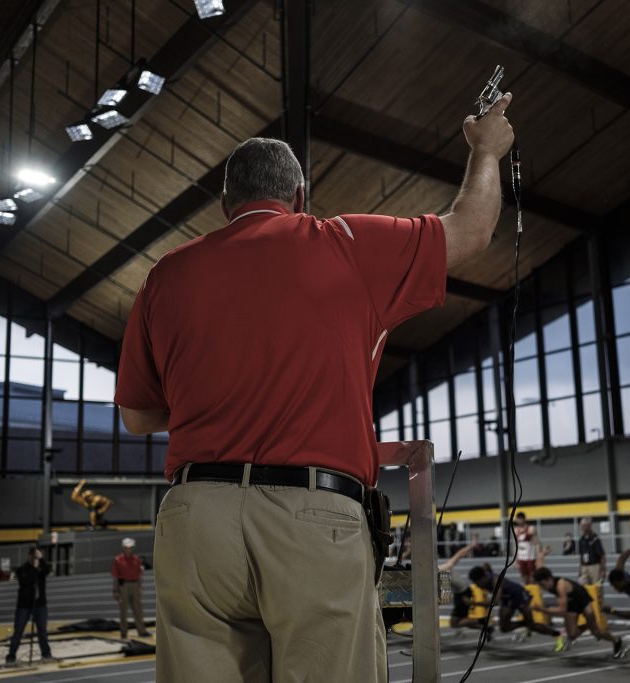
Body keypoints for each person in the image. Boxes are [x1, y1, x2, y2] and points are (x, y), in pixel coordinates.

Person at [115, 89, 516, 682]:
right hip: (311, 514)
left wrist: (225, 396)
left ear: (226, 201)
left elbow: (139, 418)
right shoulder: (345, 243)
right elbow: (472, 230)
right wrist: (486, 150)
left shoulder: (165, 274)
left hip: (195, 518)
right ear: (300, 197)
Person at [533, 567, 627, 656]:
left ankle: (617, 640)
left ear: (549, 578)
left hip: (583, 600)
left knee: (596, 632)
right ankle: (587, 626)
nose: (542, 588)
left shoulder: (560, 585)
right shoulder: (549, 584)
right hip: (571, 603)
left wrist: (542, 609)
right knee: (572, 635)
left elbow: (562, 610)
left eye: (542, 584)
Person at [467, 564, 561, 643]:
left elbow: (495, 602)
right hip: (507, 598)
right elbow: (485, 566)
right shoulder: (484, 577)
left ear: (483, 578)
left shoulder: (497, 581)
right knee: (504, 628)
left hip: (519, 595)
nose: (477, 585)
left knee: (533, 626)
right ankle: (524, 623)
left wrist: (474, 603)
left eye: (477, 582)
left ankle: (557, 634)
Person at [5, 547, 53, 666]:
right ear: (30, 556)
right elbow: (27, 581)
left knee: (42, 631)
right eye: (35, 556)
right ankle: (11, 657)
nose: (36, 559)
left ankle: (46, 654)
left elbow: (47, 571)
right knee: (18, 631)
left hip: (40, 605)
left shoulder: (41, 569)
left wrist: (41, 561)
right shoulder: (22, 569)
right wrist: (35, 568)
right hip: (24, 605)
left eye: (39, 557)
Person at [112, 538, 150, 639]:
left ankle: (142, 631)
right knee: (123, 611)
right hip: (123, 586)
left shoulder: (136, 559)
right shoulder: (118, 560)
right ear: (123, 548)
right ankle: (123, 633)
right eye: (126, 548)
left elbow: (139, 575)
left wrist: (140, 588)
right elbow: (115, 576)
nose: (128, 550)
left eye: (130, 548)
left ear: (133, 548)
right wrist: (115, 591)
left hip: (135, 585)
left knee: (138, 610)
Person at [513, 512, 540, 584]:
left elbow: (537, 543)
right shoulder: (516, 530)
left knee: (532, 577)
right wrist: (515, 560)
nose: (518, 521)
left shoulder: (531, 529)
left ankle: (533, 590)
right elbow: (516, 546)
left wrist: (538, 557)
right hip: (521, 557)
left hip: (530, 557)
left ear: (523, 519)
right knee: (524, 577)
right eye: (517, 519)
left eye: (519, 519)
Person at [578, 517, 606, 585]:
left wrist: (602, 570)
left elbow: (602, 555)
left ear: (590, 525)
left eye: (585, 525)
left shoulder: (595, 539)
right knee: (583, 587)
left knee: (596, 588)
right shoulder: (581, 539)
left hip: (595, 566)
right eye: (582, 525)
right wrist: (580, 568)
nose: (583, 527)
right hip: (584, 566)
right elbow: (581, 555)